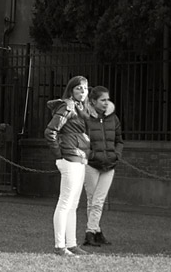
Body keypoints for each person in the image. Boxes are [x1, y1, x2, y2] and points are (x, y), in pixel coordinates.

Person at [44, 76, 92, 257]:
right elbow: (50, 132)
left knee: (73, 205)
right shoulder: (67, 106)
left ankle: (71, 244)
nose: (82, 91)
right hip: (70, 158)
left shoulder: (81, 108)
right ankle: (59, 246)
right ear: (71, 90)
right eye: (79, 88)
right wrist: (59, 154)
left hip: (80, 158)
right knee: (65, 203)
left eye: (85, 89)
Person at [82, 85, 123, 247]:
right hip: (91, 165)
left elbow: (119, 140)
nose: (106, 103)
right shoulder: (86, 118)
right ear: (93, 101)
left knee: (98, 201)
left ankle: (90, 232)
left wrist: (116, 155)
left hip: (109, 164)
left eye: (107, 100)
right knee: (92, 200)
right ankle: (95, 232)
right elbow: (82, 140)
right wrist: (90, 155)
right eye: (102, 100)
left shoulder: (113, 118)